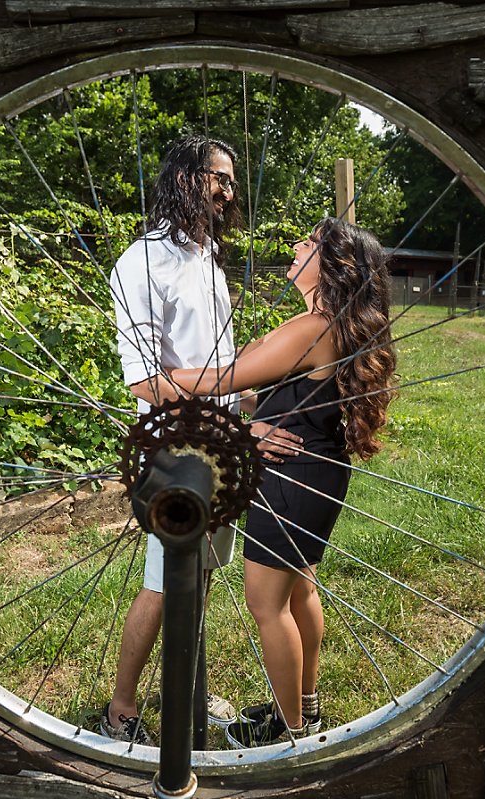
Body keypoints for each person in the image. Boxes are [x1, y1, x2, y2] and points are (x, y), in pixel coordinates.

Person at [103, 134, 302, 746]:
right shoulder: (142, 263)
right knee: (163, 585)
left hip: (219, 446)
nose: (228, 190)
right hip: (178, 451)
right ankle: (121, 709)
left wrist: (244, 399)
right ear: (184, 179)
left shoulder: (205, 254)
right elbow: (144, 380)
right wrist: (232, 424)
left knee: (201, 577)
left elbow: (213, 361)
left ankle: (184, 687)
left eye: (231, 180)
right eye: (218, 176)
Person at [168, 217, 397, 747]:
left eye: (311, 243)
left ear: (334, 266)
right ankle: (306, 709)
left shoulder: (311, 329)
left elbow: (211, 382)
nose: (297, 246)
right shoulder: (333, 325)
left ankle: (287, 733)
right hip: (318, 472)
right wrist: (250, 411)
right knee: (300, 594)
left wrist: (152, 377)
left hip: (289, 480)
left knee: (266, 606)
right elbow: (278, 397)